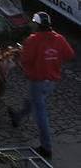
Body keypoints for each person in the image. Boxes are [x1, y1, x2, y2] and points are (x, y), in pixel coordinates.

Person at [7, 11, 76, 160]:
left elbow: (25, 60)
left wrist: (22, 54)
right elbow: (70, 55)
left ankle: (46, 147)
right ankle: (17, 117)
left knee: (40, 113)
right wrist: (54, 59)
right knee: (31, 101)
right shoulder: (59, 38)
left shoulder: (33, 40)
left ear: (37, 25)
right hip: (51, 82)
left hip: (37, 81)